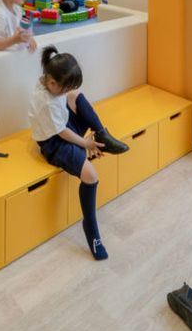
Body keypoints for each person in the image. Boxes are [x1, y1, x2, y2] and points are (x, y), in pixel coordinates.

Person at [28, 46, 128, 260]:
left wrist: (91, 140)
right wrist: (85, 144)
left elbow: (66, 104)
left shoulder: (49, 82)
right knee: (91, 176)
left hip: (62, 127)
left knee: (76, 95)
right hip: (54, 143)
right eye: (63, 88)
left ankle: (102, 135)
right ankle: (91, 230)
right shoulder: (46, 102)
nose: (65, 92)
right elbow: (62, 133)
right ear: (52, 83)